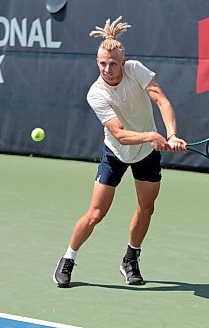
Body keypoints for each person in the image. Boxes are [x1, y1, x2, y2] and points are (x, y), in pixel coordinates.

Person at [53, 17, 187, 288]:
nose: (107, 68)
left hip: (147, 155)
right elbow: (121, 135)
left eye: (113, 63)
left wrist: (171, 134)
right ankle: (68, 258)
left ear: (123, 63)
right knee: (96, 213)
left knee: (146, 208)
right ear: (97, 62)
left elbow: (161, 100)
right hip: (116, 153)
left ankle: (130, 259)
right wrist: (152, 135)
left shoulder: (136, 70)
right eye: (102, 63)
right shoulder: (96, 94)